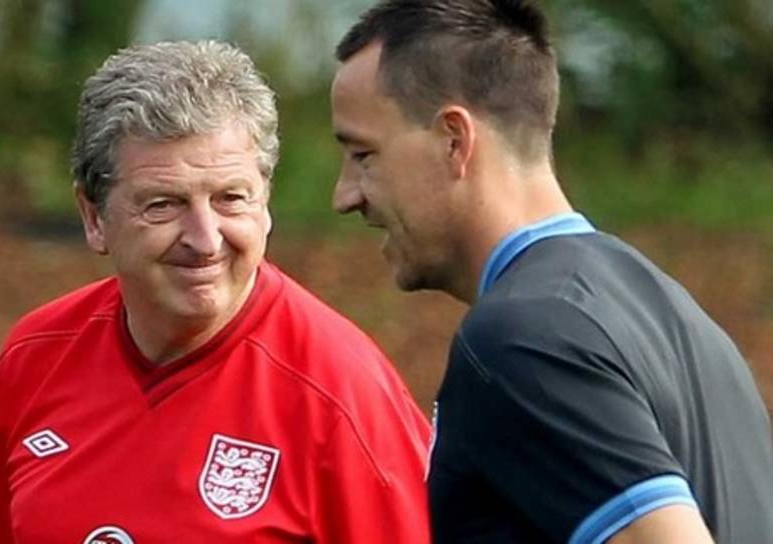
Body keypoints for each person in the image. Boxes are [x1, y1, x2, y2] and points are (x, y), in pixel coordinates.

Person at [330, 1, 773, 543]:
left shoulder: (522, 340)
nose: (344, 196)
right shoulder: (680, 320)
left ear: (453, 140)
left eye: (363, 155)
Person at [0, 40, 431, 544]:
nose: (205, 239)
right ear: (93, 218)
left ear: (265, 203)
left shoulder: (342, 395)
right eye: (163, 205)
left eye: (230, 199)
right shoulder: (35, 359)